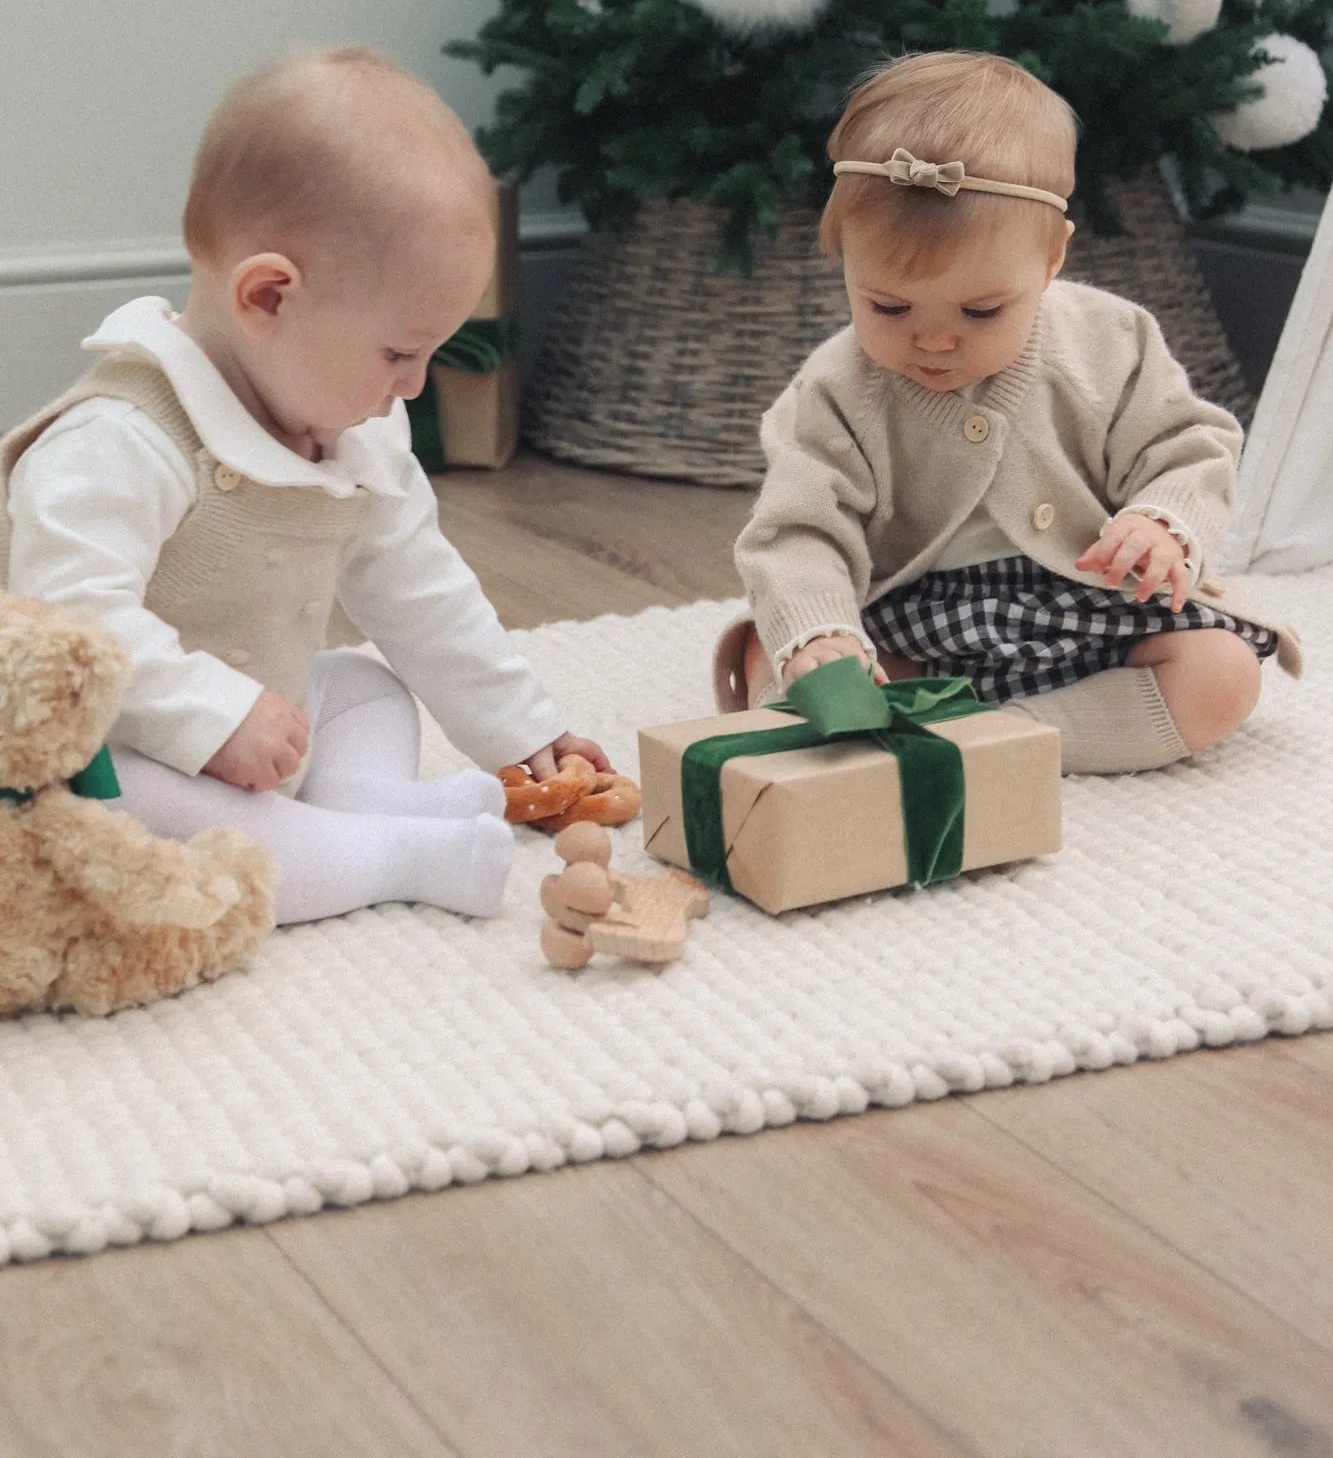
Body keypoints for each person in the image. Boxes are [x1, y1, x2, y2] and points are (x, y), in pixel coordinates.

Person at [1, 46, 610, 922]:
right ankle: (385, 857)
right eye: (399, 352)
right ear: (269, 298)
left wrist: (524, 734)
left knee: (364, 686)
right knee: (128, 813)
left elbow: (422, 591)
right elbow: (73, 634)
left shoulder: (351, 431)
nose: (415, 386)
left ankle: (360, 801)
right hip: (94, 745)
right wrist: (210, 715)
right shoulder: (121, 440)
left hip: (259, 710)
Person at [722, 51, 1297, 773]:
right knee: (785, 679)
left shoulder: (1107, 340)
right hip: (915, 617)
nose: (931, 339)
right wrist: (818, 635)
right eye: (887, 306)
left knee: (1220, 675)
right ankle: (901, 710)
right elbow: (798, 531)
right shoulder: (836, 389)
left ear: (1051, 257)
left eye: (981, 309)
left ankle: (1008, 739)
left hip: (1087, 600)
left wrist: (1162, 521)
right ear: (843, 262)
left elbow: (1187, 444)